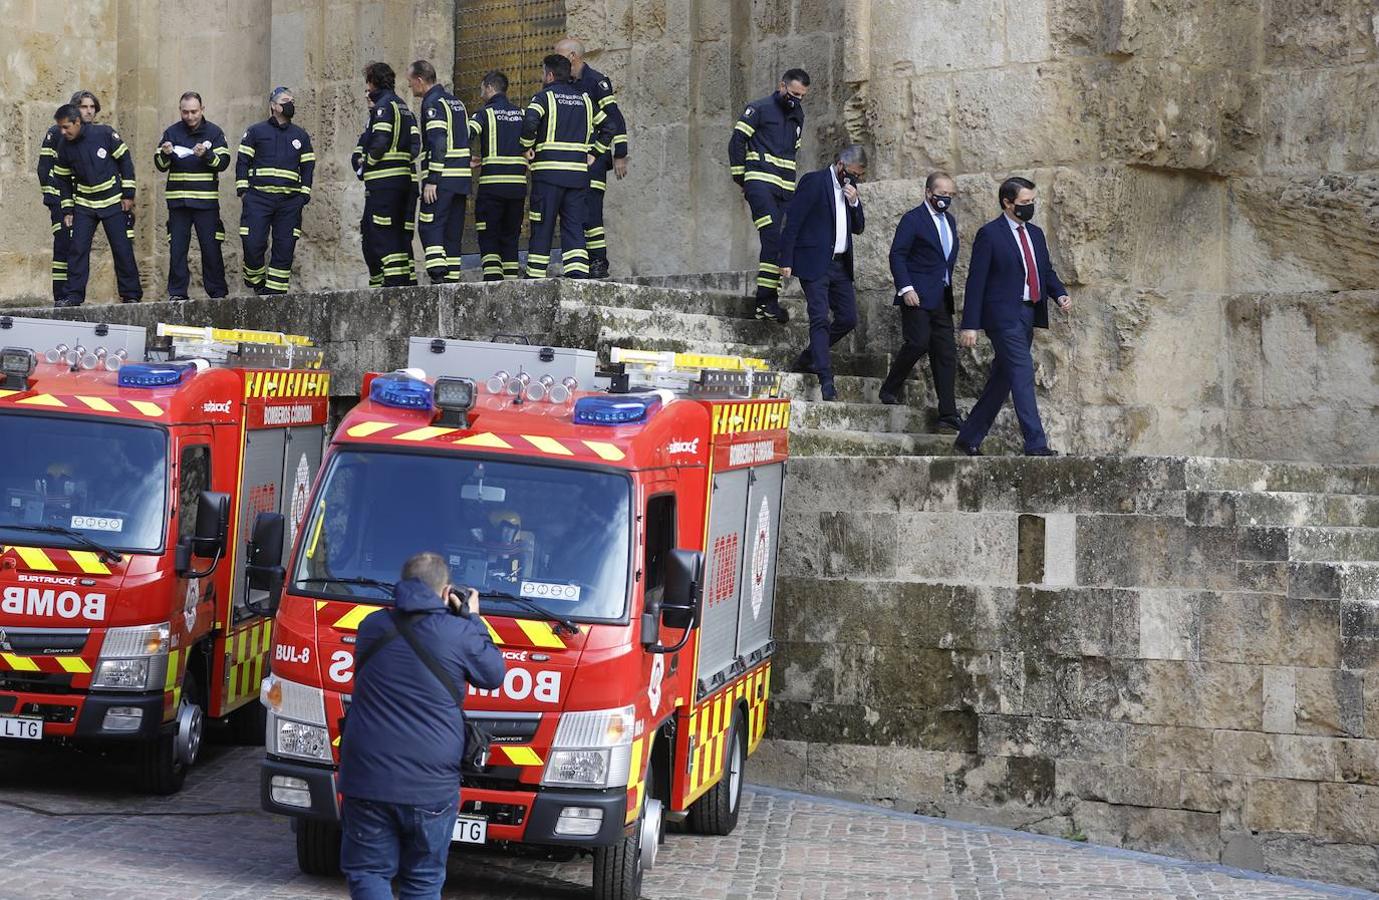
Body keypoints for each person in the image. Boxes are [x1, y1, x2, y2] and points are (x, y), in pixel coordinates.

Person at [338, 552, 505, 900]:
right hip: (430, 787)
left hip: (367, 779)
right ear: (446, 592)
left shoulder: (371, 627)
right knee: (423, 880)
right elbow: (493, 675)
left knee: (368, 871)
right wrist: (473, 619)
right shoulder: (459, 633)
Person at [955, 176, 1072, 457]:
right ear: (1007, 203)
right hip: (1002, 316)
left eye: (1032, 201)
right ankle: (1035, 443)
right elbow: (976, 281)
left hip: (1028, 313)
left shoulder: (1036, 234)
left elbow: (1044, 271)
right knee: (1022, 372)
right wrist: (969, 324)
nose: (1030, 206)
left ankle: (968, 436)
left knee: (1004, 377)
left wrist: (1059, 294)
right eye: (1024, 203)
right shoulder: (990, 234)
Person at [777, 145, 866, 402]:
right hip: (814, 263)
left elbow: (859, 227)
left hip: (840, 265)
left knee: (848, 318)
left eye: (859, 176)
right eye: (853, 173)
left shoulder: (851, 192)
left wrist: (854, 201)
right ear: (840, 165)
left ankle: (808, 357)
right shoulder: (814, 182)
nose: (855, 179)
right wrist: (786, 258)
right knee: (819, 318)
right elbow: (793, 220)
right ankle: (826, 379)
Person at [877, 172, 963, 433]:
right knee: (918, 342)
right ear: (928, 193)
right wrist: (906, 288)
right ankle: (890, 387)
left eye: (950, 195)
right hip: (916, 296)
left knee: (946, 353)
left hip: (941, 297)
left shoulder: (949, 220)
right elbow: (898, 255)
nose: (945, 198)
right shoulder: (913, 219)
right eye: (941, 193)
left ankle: (948, 414)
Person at [520, 54, 614, 279]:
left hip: (548, 176)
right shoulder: (585, 99)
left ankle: (535, 276)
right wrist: (595, 152)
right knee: (574, 227)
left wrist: (527, 147)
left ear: (550, 75)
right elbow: (609, 127)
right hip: (577, 177)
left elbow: (530, 122)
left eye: (544, 73)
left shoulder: (543, 98)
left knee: (543, 225)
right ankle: (578, 275)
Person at [728, 68, 809, 324]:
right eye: (793, 93)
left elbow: (793, 152)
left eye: (802, 96)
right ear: (781, 86)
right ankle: (766, 301)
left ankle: (766, 302)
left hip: (785, 188)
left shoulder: (798, 115)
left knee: (780, 242)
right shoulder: (759, 108)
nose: (796, 99)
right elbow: (737, 141)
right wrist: (742, 178)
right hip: (760, 183)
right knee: (772, 235)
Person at [49, 104, 142, 307]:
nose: (63, 132)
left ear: (77, 122)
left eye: (66, 127)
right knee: (78, 250)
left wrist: (128, 194)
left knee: (122, 248)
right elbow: (63, 180)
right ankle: (73, 295)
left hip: (112, 202)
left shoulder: (105, 134)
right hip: (84, 204)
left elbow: (126, 161)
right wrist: (67, 209)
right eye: (60, 128)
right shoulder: (63, 147)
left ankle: (131, 294)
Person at [555, 37, 628, 279]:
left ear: (573, 56)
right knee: (574, 212)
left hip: (594, 159)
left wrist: (620, 155)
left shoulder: (596, 82)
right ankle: (580, 262)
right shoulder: (564, 84)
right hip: (571, 160)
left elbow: (615, 120)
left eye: (559, 55)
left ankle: (598, 263)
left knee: (592, 212)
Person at [235, 87, 315, 295]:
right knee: (252, 243)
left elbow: (308, 165)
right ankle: (256, 280)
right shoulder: (256, 131)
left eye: (292, 100)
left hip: (289, 202)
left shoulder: (301, 136)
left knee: (285, 246)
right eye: (286, 100)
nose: (290, 104)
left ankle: (275, 293)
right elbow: (242, 160)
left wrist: (304, 195)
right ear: (273, 105)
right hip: (258, 199)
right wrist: (244, 191)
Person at [154, 91, 231, 301]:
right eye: (185, 112)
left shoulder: (214, 133)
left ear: (202, 110)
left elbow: (223, 163)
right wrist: (164, 153)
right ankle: (177, 293)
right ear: (180, 110)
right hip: (178, 203)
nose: (190, 116)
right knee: (177, 250)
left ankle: (217, 292)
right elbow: (160, 166)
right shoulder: (171, 132)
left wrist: (207, 154)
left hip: (205, 203)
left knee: (211, 248)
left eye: (194, 112)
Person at [359, 62, 422, 288]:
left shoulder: (384, 106)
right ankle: (406, 280)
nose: (367, 87)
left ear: (374, 81)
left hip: (384, 183)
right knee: (399, 233)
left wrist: (367, 164)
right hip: (403, 181)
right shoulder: (404, 107)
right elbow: (415, 145)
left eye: (368, 82)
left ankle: (394, 283)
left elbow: (379, 142)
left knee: (382, 232)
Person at [407, 60, 468, 284]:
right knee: (452, 231)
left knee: (429, 225)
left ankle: (438, 275)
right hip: (461, 178)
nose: (410, 87)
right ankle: (451, 278)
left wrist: (432, 180)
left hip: (442, 178)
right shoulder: (456, 102)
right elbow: (464, 135)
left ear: (420, 81)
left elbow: (439, 140)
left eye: (410, 82)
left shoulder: (432, 102)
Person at [468, 71, 527, 281]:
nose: (481, 91)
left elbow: (466, 134)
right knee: (511, 236)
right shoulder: (522, 113)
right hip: (517, 188)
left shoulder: (484, 114)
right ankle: (511, 281)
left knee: (489, 235)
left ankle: (492, 281)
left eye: (482, 87)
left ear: (490, 88)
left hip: (492, 187)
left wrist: (466, 158)